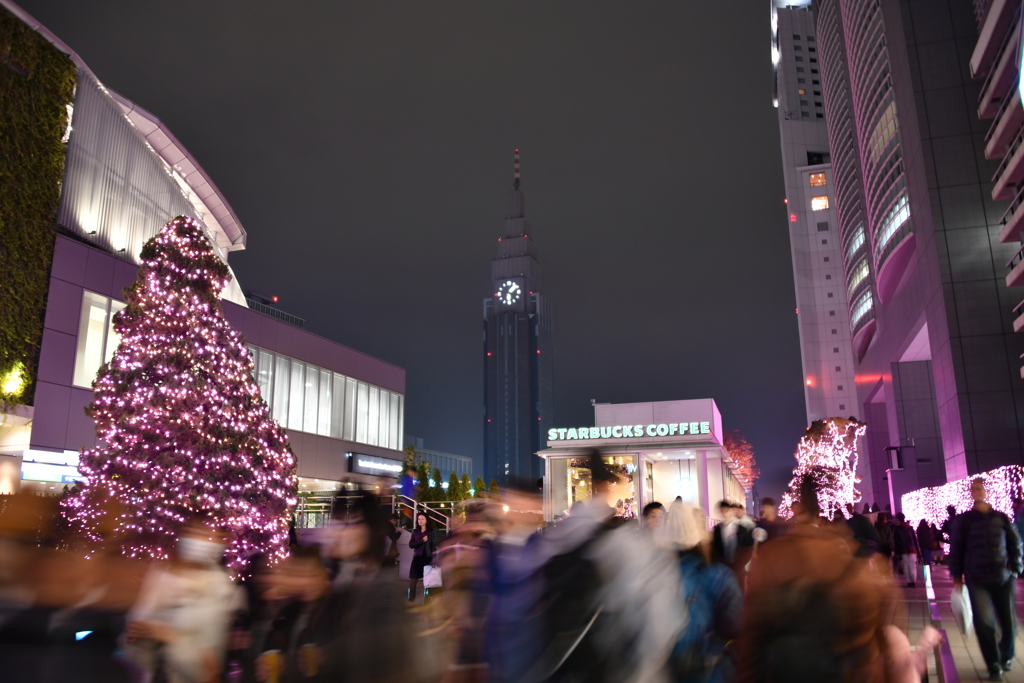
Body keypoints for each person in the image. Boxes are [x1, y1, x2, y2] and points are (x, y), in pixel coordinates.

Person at [737, 477, 897, 683]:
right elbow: (874, 626)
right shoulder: (846, 553)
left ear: (798, 508)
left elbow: (753, 636)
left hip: (788, 671)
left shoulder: (774, 556)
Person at [122, 513, 244, 683]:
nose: (197, 539)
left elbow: (208, 669)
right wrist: (137, 637)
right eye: (192, 530)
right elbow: (132, 646)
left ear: (220, 541)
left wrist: (169, 637)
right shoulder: (159, 576)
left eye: (207, 533)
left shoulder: (221, 589)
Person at [949, 477, 1023, 682]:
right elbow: (956, 549)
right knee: (984, 624)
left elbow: (1015, 544)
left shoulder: (1001, 518)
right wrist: (957, 576)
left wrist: (1015, 569)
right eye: (973, 489)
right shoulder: (964, 521)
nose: (976, 492)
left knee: (1008, 623)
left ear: (986, 491)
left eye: (979, 488)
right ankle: (993, 663)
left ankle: (1006, 656)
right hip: (977, 578)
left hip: (1003, 576)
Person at [667, 503, 743, 683]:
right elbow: (734, 624)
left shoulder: (657, 575)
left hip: (667, 670)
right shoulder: (720, 576)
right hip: (710, 668)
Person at [712, 501, 754, 583]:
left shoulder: (741, 529)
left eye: (726, 510)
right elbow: (715, 549)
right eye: (722, 511)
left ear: (731, 511)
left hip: (738, 570)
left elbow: (748, 550)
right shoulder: (717, 530)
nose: (724, 514)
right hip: (723, 570)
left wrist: (739, 565)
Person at [408, 512, 435, 602]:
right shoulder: (415, 532)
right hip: (417, 558)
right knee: (413, 581)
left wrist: (433, 560)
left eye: (422, 519)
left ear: (426, 520)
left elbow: (433, 547)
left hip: (427, 558)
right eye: (419, 519)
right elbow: (411, 545)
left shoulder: (430, 532)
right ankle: (411, 600)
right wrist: (421, 540)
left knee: (427, 582)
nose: (420, 521)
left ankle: (427, 601)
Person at [892, 513, 920, 587]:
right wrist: (918, 551)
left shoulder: (897, 529)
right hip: (913, 549)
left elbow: (896, 541)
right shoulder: (910, 528)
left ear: (898, 519)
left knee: (906, 565)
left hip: (903, 550)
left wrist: (897, 551)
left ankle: (909, 581)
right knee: (913, 565)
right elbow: (915, 540)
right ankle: (913, 581)